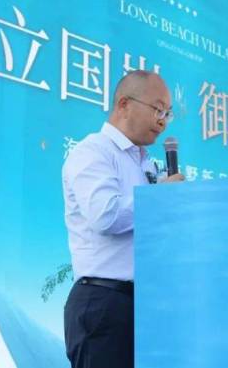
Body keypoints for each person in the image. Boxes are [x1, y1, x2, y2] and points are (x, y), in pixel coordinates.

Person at [62, 70, 184, 367]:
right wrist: (157, 199)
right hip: (105, 303)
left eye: (168, 113)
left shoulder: (145, 163)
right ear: (124, 104)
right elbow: (104, 215)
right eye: (157, 109)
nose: (163, 121)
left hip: (145, 304)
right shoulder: (93, 152)